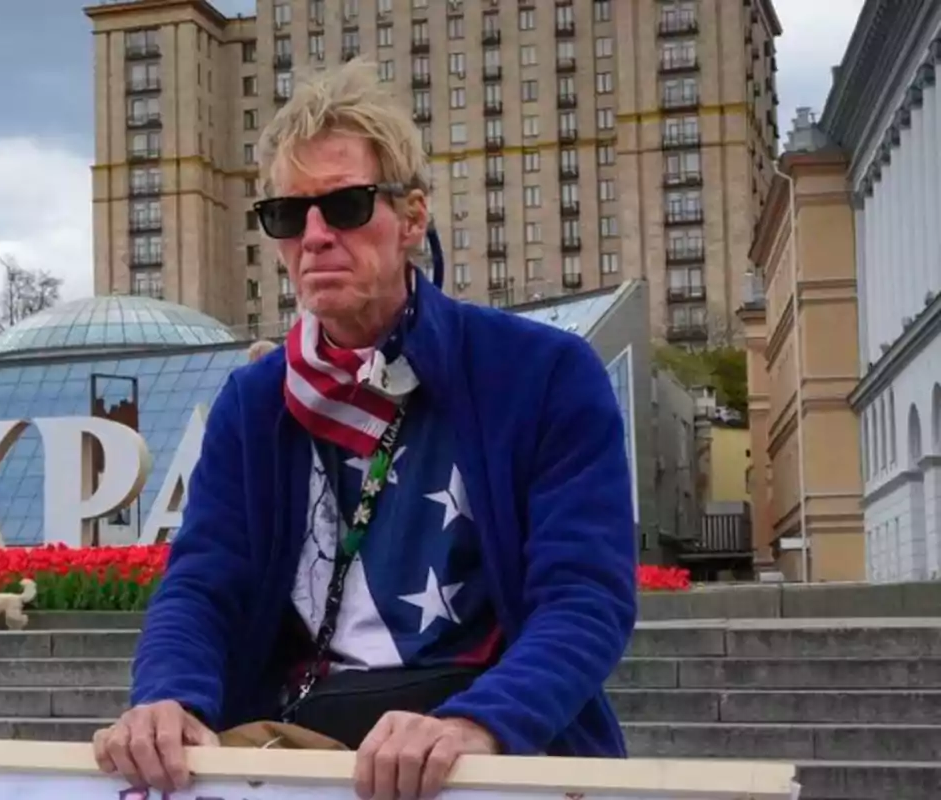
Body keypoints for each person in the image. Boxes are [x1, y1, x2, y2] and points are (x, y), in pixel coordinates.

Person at [93, 59, 637, 800]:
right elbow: (204, 579)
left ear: (412, 218)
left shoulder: (543, 374)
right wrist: (169, 697)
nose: (314, 237)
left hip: (490, 751)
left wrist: (475, 726)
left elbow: (584, 596)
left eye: (345, 206)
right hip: (305, 745)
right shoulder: (254, 402)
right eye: (287, 215)